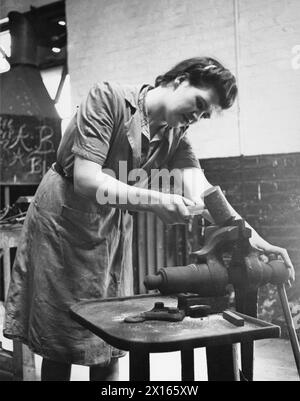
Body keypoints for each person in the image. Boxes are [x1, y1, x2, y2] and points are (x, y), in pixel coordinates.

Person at [3, 57, 295, 381]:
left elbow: (204, 191)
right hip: (63, 218)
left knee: (109, 335)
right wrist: (156, 201)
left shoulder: (176, 133)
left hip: (109, 227)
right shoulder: (109, 98)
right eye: (198, 103)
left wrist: (253, 237)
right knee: (59, 336)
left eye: (204, 114)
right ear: (178, 80)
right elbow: (87, 179)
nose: (196, 117)